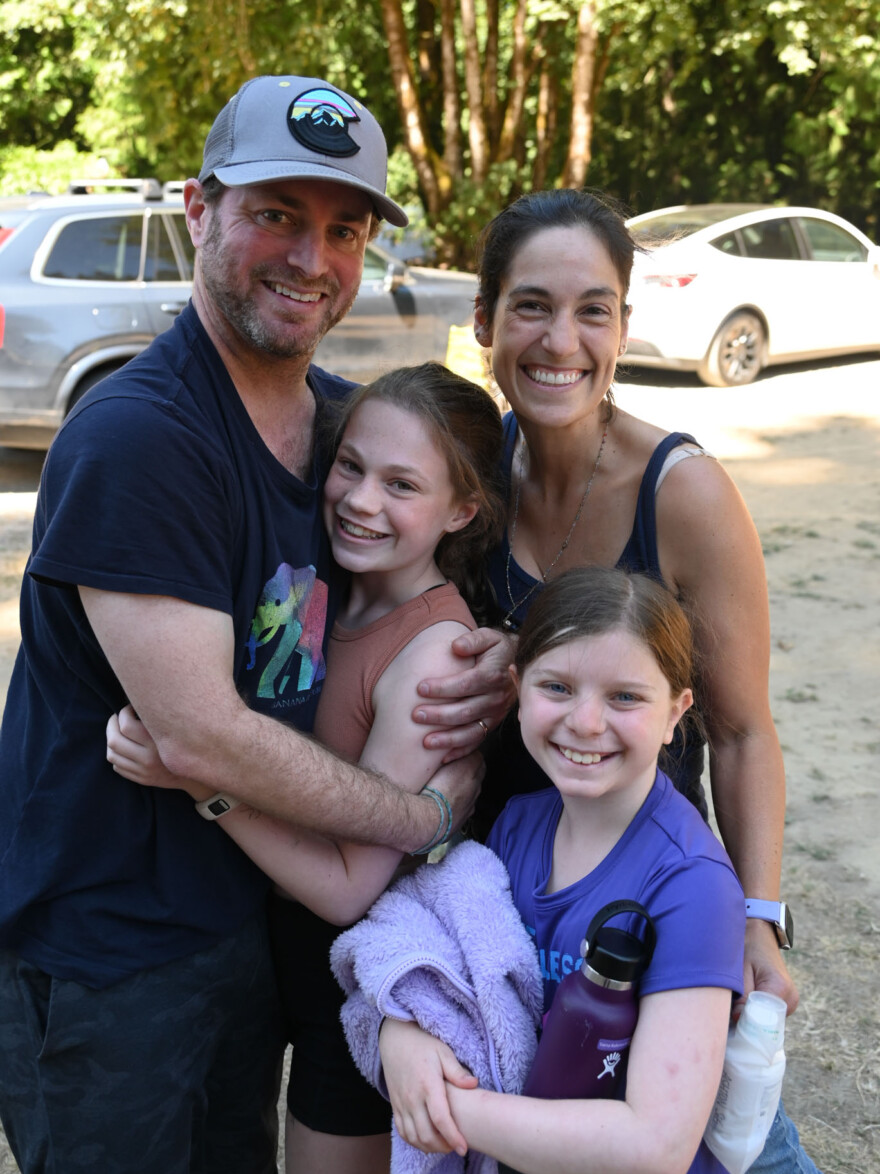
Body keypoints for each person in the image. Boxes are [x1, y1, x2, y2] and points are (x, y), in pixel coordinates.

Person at [0, 76, 506, 1174]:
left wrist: (499, 645)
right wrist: (418, 816)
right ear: (198, 208)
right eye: (275, 212)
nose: (310, 258)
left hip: (245, 932)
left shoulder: (337, 431)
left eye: (344, 228)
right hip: (111, 956)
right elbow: (197, 735)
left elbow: (451, 524)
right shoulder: (142, 439)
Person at [409, 188, 819, 1171]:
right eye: (531, 307)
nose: (561, 339)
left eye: (593, 308)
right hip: (511, 887)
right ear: (484, 322)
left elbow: (741, 729)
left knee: (710, 1136)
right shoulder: (470, 472)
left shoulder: (683, 492)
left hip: (643, 901)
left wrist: (757, 920)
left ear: (624, 324)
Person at [106, 360, 506, 1174]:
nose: (360, 500)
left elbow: (350, 887)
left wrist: (203, 779)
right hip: (257, 944)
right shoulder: (324, 579)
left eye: (402, 485)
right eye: (350, 467)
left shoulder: (436, 656)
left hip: (347, 977)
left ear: (461, 510)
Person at [374, 565, 745, 1173]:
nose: (586, 723)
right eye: (557, 688)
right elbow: (447, 974)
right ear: (517, 689)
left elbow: (656, 1146)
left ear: (676, 712)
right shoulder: (518, 825)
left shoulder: (691, 886)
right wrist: (401, 1033)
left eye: (625, 696)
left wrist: (446, 1109)